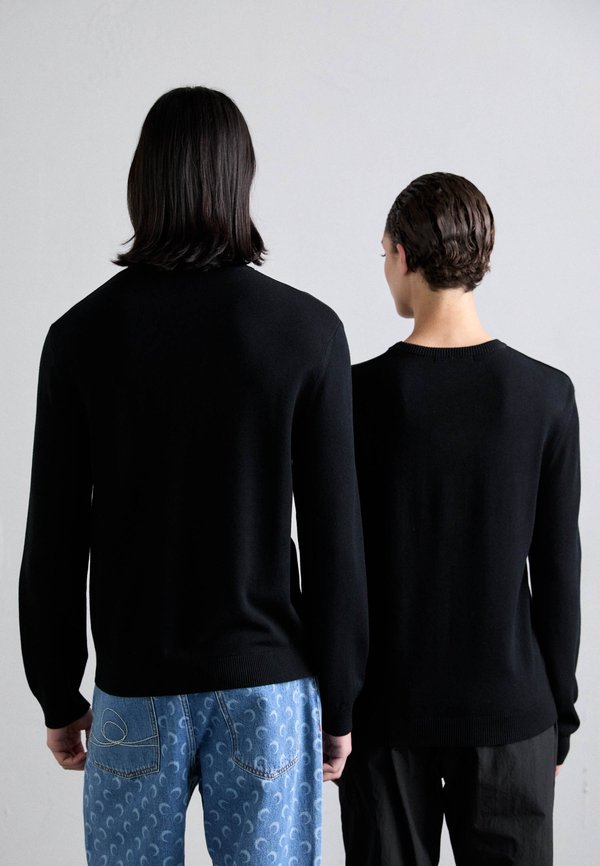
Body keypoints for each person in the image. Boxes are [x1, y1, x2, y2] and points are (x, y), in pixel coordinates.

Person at [19, 86, 368, 866]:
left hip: (135, 689)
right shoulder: (308, 332)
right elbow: (335, 539)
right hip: (267, 687)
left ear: (143, 181)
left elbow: (54, 535)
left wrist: (56, 689)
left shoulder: (79, 337)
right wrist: (341, 700)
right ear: (239, 180)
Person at [338, 173, 581, 866]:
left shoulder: (354, 396)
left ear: (401, 254)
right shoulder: (545, 395)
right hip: (512, 714)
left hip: (385, 715)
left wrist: (337, 702)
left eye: (384, 254)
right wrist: (558, 714)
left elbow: (337, 567)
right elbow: (559, 574)